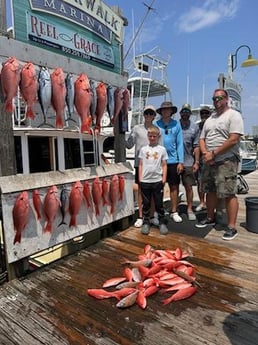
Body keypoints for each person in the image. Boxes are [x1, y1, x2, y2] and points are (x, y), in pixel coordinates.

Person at [195, 89, 244, 241]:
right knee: (210, 191)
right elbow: (202, 139)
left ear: (226, 99)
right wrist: (205, 154)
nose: (217, 100)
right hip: (209, 160)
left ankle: (231, 227)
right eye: (214, 98)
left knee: (228, 193)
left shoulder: (234, 115)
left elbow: (234, 139)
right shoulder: (210, 119)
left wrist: (214, 153)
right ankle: (210, 217)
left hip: (226, 160)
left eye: (220, 98)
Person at [126, 105, 159, 228]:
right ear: (143, 114)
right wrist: (118, 134)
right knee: (140, 191)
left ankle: (151, 216)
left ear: (154, 116)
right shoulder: (136, 128)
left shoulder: (157, 129)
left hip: (154, 166)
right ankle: (140, 216)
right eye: (147, 113)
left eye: (151, 113)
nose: (149, 115)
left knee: (153, 192)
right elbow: (129, 145)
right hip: (139, 165)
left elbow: (160, 149)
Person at [155, 101, 184, 222]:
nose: (166, 111)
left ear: (171, 111)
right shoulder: (156, 124)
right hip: (158, 161)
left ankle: (174, 211)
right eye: (164, 109)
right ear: (161, 112)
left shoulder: (176, 124)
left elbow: (179, 144)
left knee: (174, 186)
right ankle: (157, 211)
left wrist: (180, 161)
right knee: (157, 187)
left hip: (173, 161)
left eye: (168, 109)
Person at [138, 125, 168, 235]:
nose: (152, 138)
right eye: (150, 136)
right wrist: (140, 178)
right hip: (145, 181)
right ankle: (146, 222)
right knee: (146, 204)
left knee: (159, 203)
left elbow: (164, 165)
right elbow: (141, 164)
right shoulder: (143, 149)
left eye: (154, 136)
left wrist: (163, 178)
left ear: (158, 136)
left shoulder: (162, 149)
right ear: (147, 136)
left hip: (157, 180)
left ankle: (162, 222)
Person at [179, 103, 200, 220]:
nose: (185, 113)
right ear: (180, 113)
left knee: (188, 187)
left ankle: (189, 208)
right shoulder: (175, 125)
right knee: (173, 186)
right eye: (183, 111)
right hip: (175, 161)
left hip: (188, 162)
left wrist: (196, 162)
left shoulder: (195, 127)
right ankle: (173, 209)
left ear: (190, 114)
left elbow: (196, 146)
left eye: (187, 111)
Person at [195, 106, 212, 212]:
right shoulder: (198, 127)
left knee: (211, 182)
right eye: (202, 113)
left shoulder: (213, 125)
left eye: (206, 113)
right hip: (201, 158)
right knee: (200, 181)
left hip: (211, 157)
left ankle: (211, 204)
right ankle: (202, 202)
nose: (204, 115)